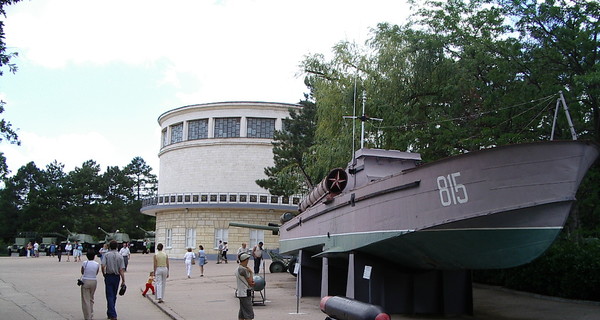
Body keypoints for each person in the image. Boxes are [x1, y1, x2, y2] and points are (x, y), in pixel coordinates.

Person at [101, 240, 126, 320]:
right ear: (117, 247)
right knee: (113, 295)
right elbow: (121, 269)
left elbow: (103, 266)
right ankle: (110, 312)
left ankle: (113, 314)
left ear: (109, 246)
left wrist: (104, 274)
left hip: (108, 276)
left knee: (109, 295)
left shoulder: (106, 255)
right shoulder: (120, 256)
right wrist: (123, 280)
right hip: (116, 277)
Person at [80, 251, 100, 320]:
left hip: (86, 280)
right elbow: (97, 272)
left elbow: (82, 271)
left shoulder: (85, 263)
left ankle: (87, 316)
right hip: (93, 280)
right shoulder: (97, 264)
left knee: (85, 299)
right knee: (91, 298)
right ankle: (91, 313)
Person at [236, 253, 255, 320]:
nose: (248, 261)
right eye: (247, 259)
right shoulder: (244, 270)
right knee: (249, 314)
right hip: (245, 293)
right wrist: (251, 273)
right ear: (245, 260)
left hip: (240, 292)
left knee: (242, 313)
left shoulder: (238, 268)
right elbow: (251, 283)